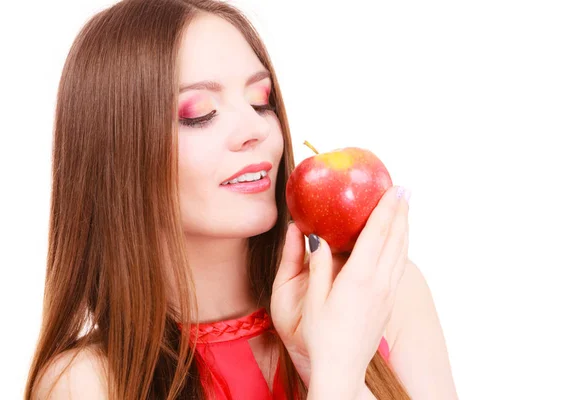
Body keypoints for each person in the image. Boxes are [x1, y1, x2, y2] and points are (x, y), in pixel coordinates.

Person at [24, 0, 459, 399]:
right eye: (200, 114)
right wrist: (337, 372)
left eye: (260, 101)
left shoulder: (387, 295)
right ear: (116, 155)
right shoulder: (85, 383)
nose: (256, 129)